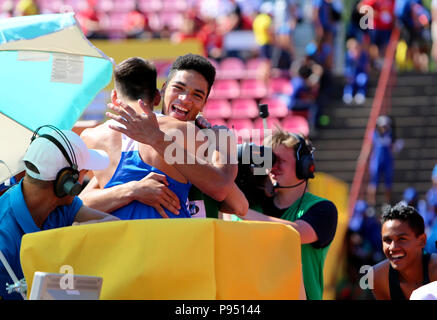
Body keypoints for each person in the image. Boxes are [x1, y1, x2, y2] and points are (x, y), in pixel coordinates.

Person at [80, 55, 247, 220]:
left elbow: (237, 204)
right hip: (156, 239)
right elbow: (81, 203)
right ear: (162, 91)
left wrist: (159, 139)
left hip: (188, 240)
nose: (185, 99)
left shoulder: (209, 137)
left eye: (197, 95)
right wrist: (132, 189)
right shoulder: (131, 140)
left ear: (204, 103)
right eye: (178, 88)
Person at [0, 126, 119, 300]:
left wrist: (79, 236)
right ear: (67, 183)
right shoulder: (4, 238)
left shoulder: (63, 204)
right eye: (84, 172)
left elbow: (115, 226)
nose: (86, 176)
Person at [240, 129, 338, 300]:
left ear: (303, 166)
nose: (273, 166)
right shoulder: (252, 204)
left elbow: (295, 233)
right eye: (269, 160)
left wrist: (240, 210)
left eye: (281, 161)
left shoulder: (323, 208)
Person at [372, 203, 437, 300]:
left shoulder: (435, 270)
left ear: (422, 240)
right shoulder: (378, 277)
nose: (393, 247)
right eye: (387, 240)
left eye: (402, 239)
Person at [367, 115, 395, 207]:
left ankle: (387, 204)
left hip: (387, 161)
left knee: (388, 183)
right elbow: (369, 148)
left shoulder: (390, 134)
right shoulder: (374, 134)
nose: (384, 127)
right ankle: (371, 205)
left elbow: (392, 148)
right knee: (373, 183)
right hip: (376, 161)